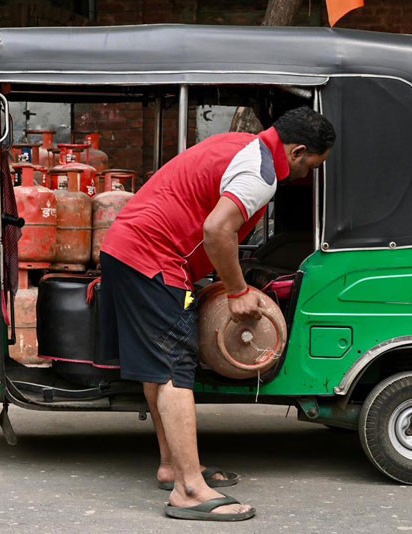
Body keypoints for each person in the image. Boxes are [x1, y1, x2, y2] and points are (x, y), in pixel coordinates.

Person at [99, 106, 336, 522]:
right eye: (314, 164)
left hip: (130, 250)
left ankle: (173, 465)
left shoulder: (242, 146)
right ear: (298, 152)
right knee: (175, 367)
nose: (309, 174)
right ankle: (189, 489)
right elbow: (216, 230)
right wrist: (237, 290)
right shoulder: (260, 174)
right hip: (153, 258)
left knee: (161, 368)